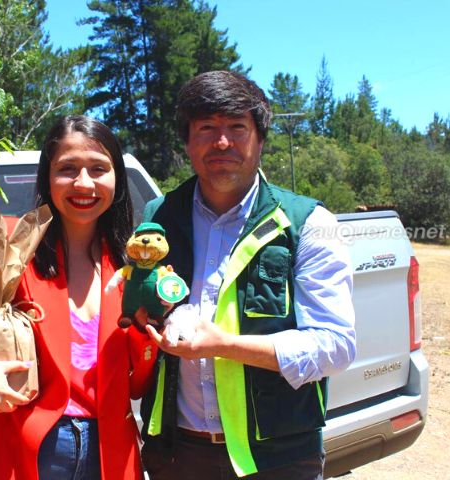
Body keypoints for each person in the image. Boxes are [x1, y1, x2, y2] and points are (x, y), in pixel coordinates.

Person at [137, 71, 356, 479]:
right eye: (206, 127)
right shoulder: (157, 218)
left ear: (260, 139)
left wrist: (225, 345)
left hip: (279, 458)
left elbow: (335, 345)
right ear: (187, 142)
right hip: (177, 455)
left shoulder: (307, 223)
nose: (222, 142)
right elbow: (138, 309)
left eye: (237, 127)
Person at [0, 115, 158, 480]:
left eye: (98, 169)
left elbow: (137, 385)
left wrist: (149, 328)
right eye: (67, 169)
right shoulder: (7, 247)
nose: (84, 183)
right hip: (13, 452)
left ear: (116, 178)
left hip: (108, 455)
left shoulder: (134, 268)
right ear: (47, 177)